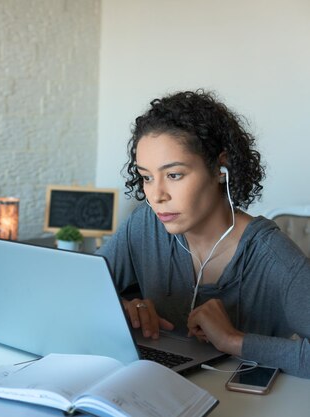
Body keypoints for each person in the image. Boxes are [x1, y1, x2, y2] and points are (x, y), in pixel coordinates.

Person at [99, 90, 310, 378]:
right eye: (147, 177)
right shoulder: (144, 225)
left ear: (220, 168)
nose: (156, 196)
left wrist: (234, 340)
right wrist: (122, 309)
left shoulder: (273, 257)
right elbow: (80, 293)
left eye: (174, 175)